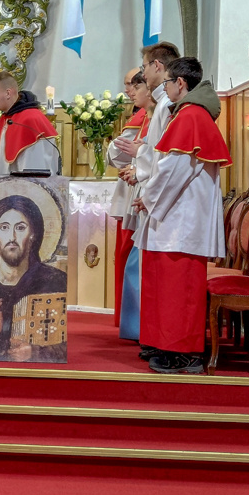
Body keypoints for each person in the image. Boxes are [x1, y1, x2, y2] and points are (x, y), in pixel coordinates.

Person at [134, 57, 231, 374]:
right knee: (165, 285)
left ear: (180, 83)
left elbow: (173, 170)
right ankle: (163, 343)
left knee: (180, 288)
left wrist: (147, 197)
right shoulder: (188, 114)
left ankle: (184, 353)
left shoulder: (190, 116)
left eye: (167, 82)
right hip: (175, 215)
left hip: (183, 220)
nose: (164, 88)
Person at [112, 42, 180, 355]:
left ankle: (151, 334)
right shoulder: (163, 105)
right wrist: (141, 167)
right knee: (141, 268)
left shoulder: (166, 106)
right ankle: (147, 333)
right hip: (152, 193)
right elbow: (155, 154)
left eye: (144, 68)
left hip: (159, 198)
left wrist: (144, 181)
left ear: (157, 66)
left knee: (146, 270)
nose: (142, 75)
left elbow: (163, 157)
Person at [0, 194, 67, 362]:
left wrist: (34, 352)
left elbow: (62, 342)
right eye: (4, 227)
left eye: (20, 228)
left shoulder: (54, 281)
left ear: (33, 233)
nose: (12, 237)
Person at [116, 72, 154, 339]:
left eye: (135, 85)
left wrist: (138, 168)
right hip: (146, 193)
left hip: (153, 198)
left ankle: (144, 329)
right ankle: (138, 328)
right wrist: (136, 168)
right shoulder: (148, 116)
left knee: (139, 264)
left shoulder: (161, 114)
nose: (130, 91)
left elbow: (162, 158)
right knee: (135, 263)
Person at [106, 67, 143, 326]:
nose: (128, 90)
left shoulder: (145, 115)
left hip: (139, 195)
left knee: (129, 256)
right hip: (134, 191)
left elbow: (115, 153)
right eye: (128, 84)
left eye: (133, 84)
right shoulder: (140, 114)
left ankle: (131, 320)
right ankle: (127, 319)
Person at [0, 71, 59, 175]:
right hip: (9, 183)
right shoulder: (6, 118)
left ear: (8, 93)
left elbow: (32, 168)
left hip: (27, 183)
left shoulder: (30, 120)